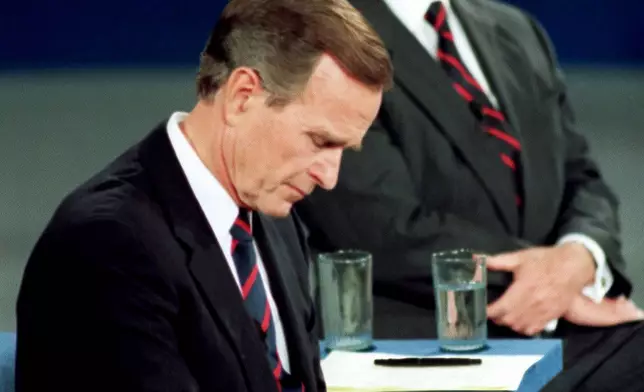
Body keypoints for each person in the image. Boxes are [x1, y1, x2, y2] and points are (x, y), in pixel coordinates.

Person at [14, 1, 392, 391]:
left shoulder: (275, 221)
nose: (329, 177)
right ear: (242, 96)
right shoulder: (107, 245)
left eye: (343, 150)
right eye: (320, 140)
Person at [296, 0, 644, 384]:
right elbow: (383, 226)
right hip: (426, 340)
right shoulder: (326, 31)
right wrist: (554, 284)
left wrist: (582, 255)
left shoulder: (517, 29)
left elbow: (582, 176)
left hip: (559, 328)